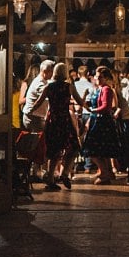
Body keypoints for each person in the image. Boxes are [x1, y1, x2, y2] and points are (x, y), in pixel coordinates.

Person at [40, 62, 82, 190]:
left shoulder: (49, 87)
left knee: (54, 150)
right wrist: (88, 107)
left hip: (53, 120)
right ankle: (64, 173)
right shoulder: (69, 87)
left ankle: (51, 179)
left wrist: (29, 110)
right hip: (64, 120)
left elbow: (39, 101)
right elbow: (79, 101)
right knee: (74, 147)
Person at [82, 65, 126, 184]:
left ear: (105, 78)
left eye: (100, 77)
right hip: (99, 119)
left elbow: (106, 106)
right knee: (103, 150)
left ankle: (105, 172)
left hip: (102, 121)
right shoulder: (99, 89)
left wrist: (93, 110)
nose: (97, 79)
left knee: (93, 149)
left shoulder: (106, 89)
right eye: (96, 77)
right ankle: (106, 172)